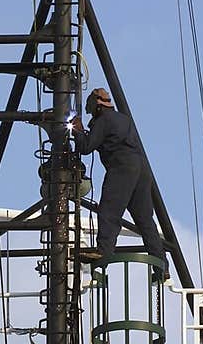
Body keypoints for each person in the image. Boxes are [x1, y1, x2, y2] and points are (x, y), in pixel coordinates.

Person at [70, 88, 169, 277]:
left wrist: (78, 130)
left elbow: (86, 147)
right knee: (145, 220)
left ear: (97, 106)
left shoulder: (104, 120)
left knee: (109, 210)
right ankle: (161, 265)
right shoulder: (122, 118)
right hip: (140, 169)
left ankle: (103, 250)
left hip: (121, 167)